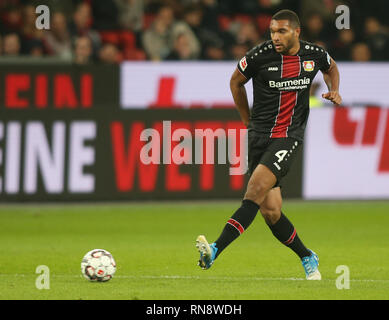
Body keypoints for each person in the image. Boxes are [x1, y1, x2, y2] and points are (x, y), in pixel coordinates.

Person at [196, 9, 342, 280]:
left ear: (296, 32)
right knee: (271, 211)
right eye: (272, 31)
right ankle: (308, 256)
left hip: (288, 136)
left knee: (254, 189)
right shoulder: (258, 56)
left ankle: (214, 249)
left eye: (281, 31)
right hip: (259, 136)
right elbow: (235, 82)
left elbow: (331, 67)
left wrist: (335, 89)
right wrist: (246, 121)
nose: (275, 36)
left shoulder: (313, 54)